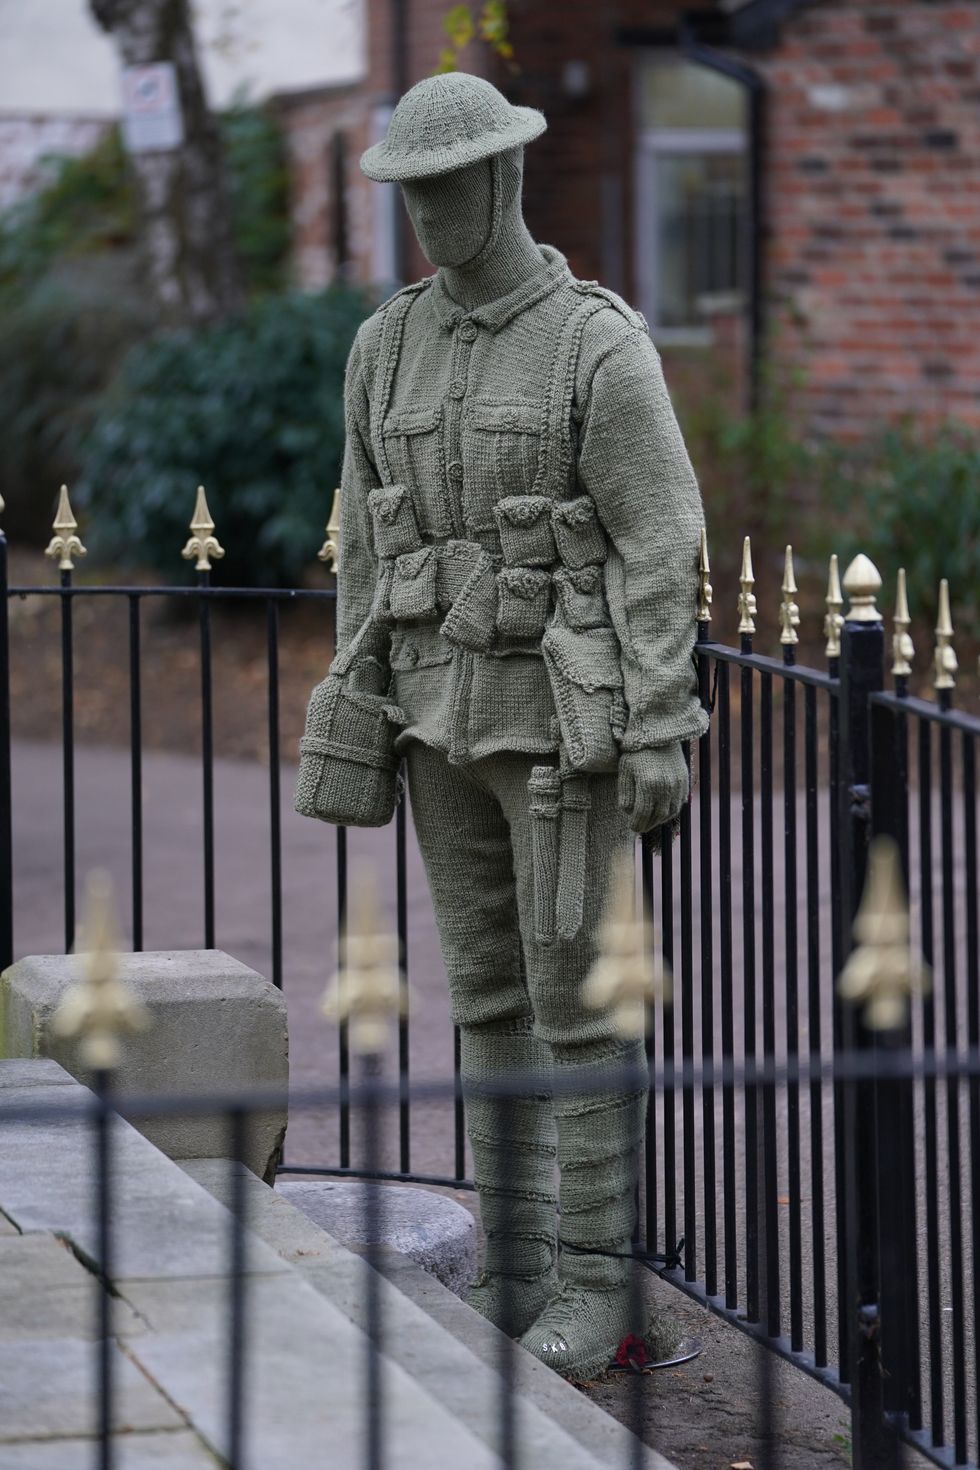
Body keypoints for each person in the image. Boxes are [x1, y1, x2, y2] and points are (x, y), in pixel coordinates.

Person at [295, 71, 709, 1382]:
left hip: (560, 730)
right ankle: (516, 1264)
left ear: (506, 177)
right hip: (435, 717)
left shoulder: (597, 343)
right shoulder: (387, 345)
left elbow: (661, 542)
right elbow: (366, 541)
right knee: (485, 999)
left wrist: (657, 724)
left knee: (579, 1004)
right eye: (406, 191)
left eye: (445, 185)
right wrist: (360, 695)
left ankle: (597, 1283)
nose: (424, 212)